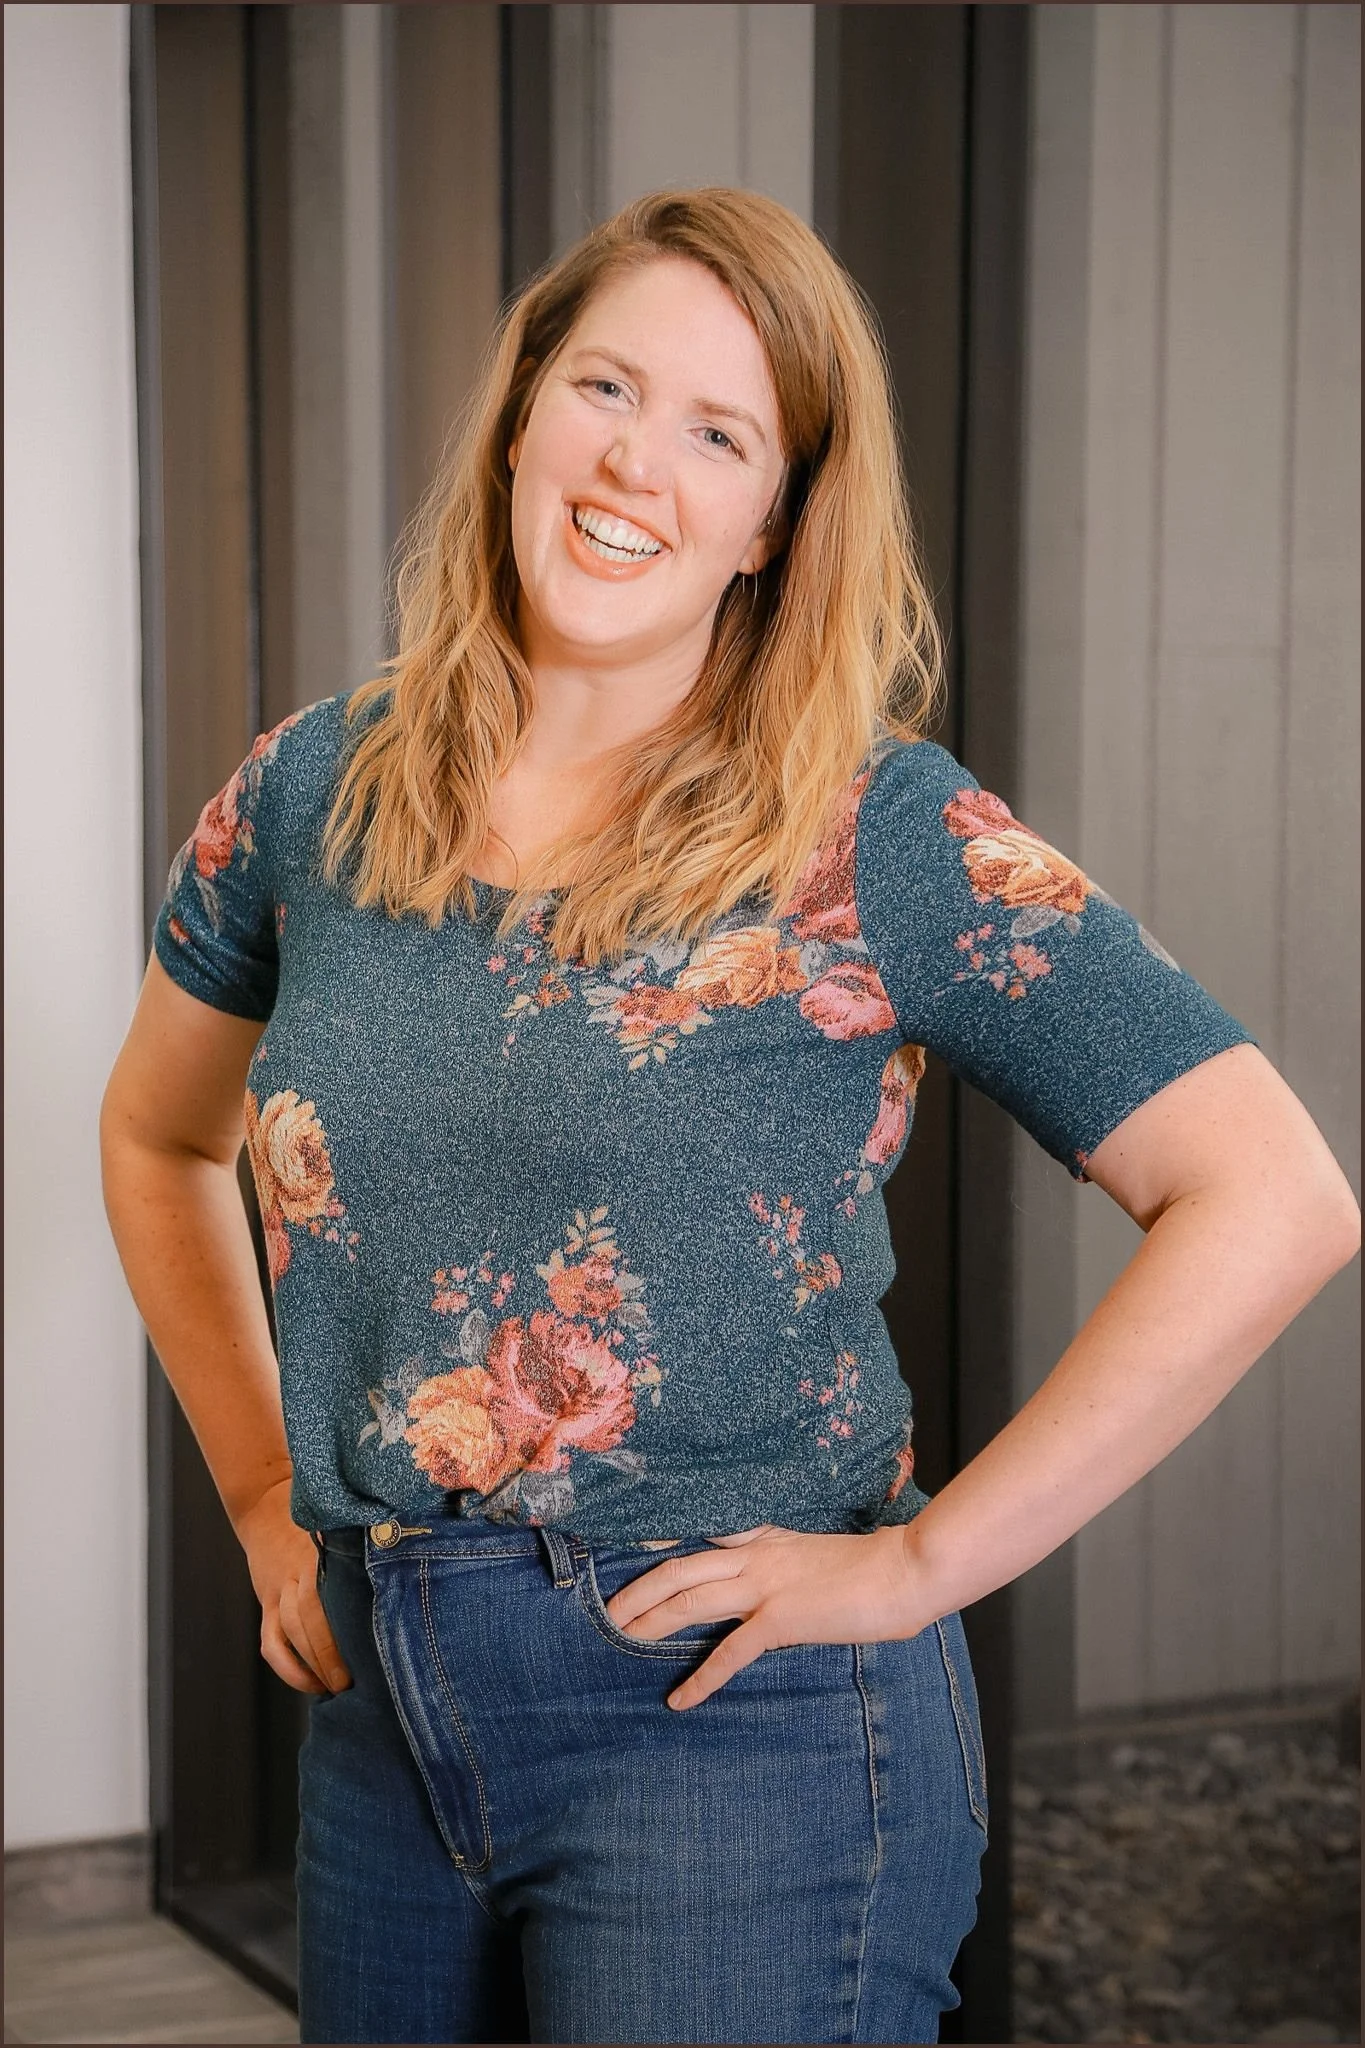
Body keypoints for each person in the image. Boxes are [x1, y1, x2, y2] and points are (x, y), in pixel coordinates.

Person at [100, 187, 1360, 2047]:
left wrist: (930, 1563)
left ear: (774, 519)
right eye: (604, 386)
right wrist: (265, 1490)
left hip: (733, 1733)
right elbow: (158, 1140)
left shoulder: (881, 835)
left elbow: (1274, 1194)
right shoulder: (312, 792)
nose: (637, 464)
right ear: (525, 410)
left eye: (720, 432)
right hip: (384, 1719)